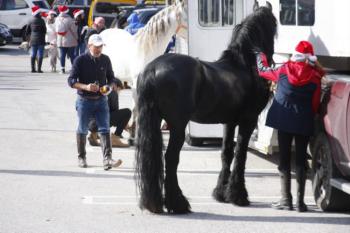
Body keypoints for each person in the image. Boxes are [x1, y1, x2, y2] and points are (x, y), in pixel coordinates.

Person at [256, 41, 325, 212]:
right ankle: (300, 203)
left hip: (283, 119)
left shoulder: (284, 69)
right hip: (303, 122)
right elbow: (315, 104)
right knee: (301, 160)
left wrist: (261, 56)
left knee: (285, 159)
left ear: (295, 55)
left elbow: (262, 71)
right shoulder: (316, 77)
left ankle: (286, 199)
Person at [68, 34, 122, 170]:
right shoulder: (80, 60)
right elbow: (71, 81)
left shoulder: (105, 59)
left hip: (102, 100)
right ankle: (81, 157)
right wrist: (86, 87)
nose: (99, 49)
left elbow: (111, 78)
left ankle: (107, 159)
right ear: (89, 46)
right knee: (82, 129)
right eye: (96, 46)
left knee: (105, 129)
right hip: (84, 100)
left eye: (101, 46)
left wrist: (108, 87)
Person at [88, 82, 131, 148]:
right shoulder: (113, 92)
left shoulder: (98, 88)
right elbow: (116, 113)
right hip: (98, 123)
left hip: (88, 122)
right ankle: (115, 138)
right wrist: (124, 124)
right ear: (116, 86)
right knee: (127, 112)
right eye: (120, 90)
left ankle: (93, 135)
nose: (119, 92)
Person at [56, 5, 78, 74]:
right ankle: (74, 69)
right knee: (72, 55)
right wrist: (76, 38)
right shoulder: (69, 19)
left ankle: (62, 69)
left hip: (60, 40)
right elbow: (74, 30)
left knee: (62, 55)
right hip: (70, 40)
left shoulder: (57, 19)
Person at [26, 5, 46, 73]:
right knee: (40, 54)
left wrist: (28, 39)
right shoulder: (42, 20)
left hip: (33, 39)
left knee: (33, 53)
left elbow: (27, 31)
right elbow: (44, 30)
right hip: (41, 39)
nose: (41, 13)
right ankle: (39, 69)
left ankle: (32, 69)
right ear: (38, 13)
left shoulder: (30, 20)